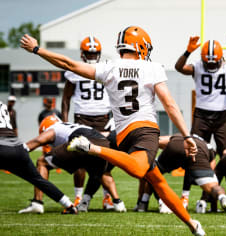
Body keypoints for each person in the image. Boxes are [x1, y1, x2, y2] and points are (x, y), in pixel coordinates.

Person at [20, 27, 205, 235]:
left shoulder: (109, 67)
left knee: (158, 182)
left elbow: (68, 63)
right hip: (144, 129)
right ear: (141, 47)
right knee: (137, 170)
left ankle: (192, 224)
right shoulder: (152, 67)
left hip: (124, 133)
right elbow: (169, 104)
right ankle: (92, 149)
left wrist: (37, 49)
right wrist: (187, 136)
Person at [175, 36, 226, 209]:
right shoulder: (197, 66)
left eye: (213, 63)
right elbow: (178, 67)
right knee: (193, 155)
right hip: (202, 115)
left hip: (222, 116)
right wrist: (187, 51)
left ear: (220, 59)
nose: (210, 66)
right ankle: (185, 196)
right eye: (207, 63)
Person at [19, 115, 126, 213]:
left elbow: (36, 142)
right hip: (102, 143)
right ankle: (118, 203)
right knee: (101, 172)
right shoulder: (73, 125)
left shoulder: (54, 128)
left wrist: (15, 151)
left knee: (42, 162)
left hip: (81, 141)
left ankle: (37, 202)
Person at [61, 36, 114, 210]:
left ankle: (106, 198)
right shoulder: (74, 70)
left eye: (94, 53)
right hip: (82, 118)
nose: (92, 56)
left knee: (104, 160)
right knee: (80, 160)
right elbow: (66, 98)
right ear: (82, 54)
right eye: (89, 53)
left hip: (103, 119)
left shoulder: (107, 68)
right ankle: (78, 197)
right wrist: (64, 121)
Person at [0, 102, 76, 214]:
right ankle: (69, 205)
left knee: (37, 178)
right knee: (38, 179)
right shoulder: (3, 104)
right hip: (17, 147)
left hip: (2, 147)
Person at [145, 135, 226, 214]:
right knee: (212, 186)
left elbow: (158, 141)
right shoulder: (208, 148)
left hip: (177, 145)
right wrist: (205, 199)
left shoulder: (179, 137)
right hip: (199, 153)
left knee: (152, 172)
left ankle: (157, 203)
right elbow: (212, 173)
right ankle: (222, 197)